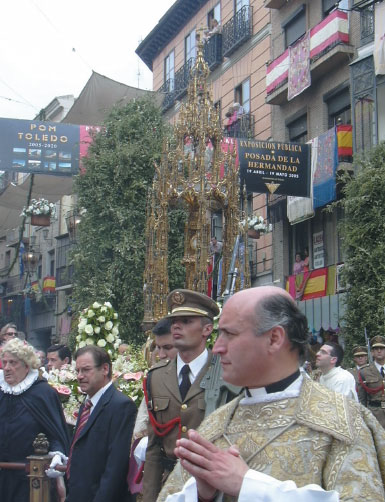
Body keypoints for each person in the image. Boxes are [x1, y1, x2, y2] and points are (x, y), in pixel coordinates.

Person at [158, 286, 385, 502]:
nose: (217, 348)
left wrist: (247, 484)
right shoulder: (215, 425)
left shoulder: (341, 421)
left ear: (274, 338)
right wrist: (203, 496)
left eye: (229, 334)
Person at [142, 289, 219, 502]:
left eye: (186, 321)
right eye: (174, 320)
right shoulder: (157, 376)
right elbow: (154, 448)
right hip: (170, 486)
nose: (176, 326)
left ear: (207, 329)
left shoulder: (223, 372)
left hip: (211, 487)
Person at [65, 345, 137, 502]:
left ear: (105, 369)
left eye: (86, 370)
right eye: (77, 371)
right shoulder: (87, 403)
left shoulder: (121, 405)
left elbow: (115, 466)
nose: (79, 376)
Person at [0, 338, 69, 501]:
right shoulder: (1, 391)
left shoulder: (43, 393)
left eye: (13, 363)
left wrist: (57, 455)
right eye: (4, 362)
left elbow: (55, 433)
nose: (7, 368)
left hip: (31, 479)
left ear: (26, 365)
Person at [357, 335, 385, 428]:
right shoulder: (364, 371)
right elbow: (362, 400)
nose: (379, 351)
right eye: (376, 349)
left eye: (382, 348)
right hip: (375, 415)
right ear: (372, 352)